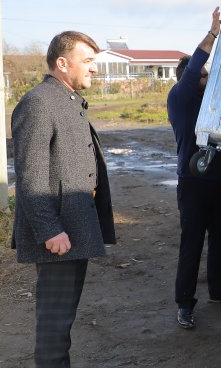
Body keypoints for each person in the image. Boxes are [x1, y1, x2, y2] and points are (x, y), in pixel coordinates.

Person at [11, 30, 116, 367]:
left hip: (74, 230)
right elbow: (30, 175)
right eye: (87, 61)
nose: (94, 69)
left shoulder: (66, 98)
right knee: (54, 331)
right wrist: (48, 230)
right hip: (59, 236)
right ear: (62, 62)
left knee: (64, 322)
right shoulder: (39, 102)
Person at [167, 7, 221, 330]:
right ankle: (185, 303)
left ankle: (218, 289)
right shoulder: (180, 97)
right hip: (194, 184)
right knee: (192, 243)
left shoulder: (212, 99)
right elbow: (196, 68)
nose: (208, 77)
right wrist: (213, 33)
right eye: (203, 75)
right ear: (190, 78)